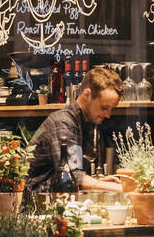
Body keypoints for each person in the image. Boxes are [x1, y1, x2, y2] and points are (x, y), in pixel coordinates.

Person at [25, 63, 124, 193]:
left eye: (111, 109)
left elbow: (75, 173)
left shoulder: (84, 122)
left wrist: (99, 182)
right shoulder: (63, 124)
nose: (108, 115)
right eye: (104, 107)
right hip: (37, 203)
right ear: (87, 95)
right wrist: (122, 188)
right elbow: (73, 176)